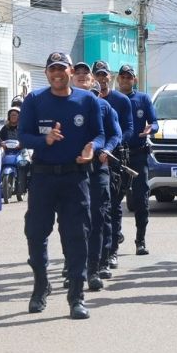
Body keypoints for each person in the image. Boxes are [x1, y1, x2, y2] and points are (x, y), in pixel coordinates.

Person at [19, 51, 104, 320]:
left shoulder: (87, 99)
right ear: (46, 73)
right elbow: (23, 136)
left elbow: (99, 133)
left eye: (61, 68)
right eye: (52, 69)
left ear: (70, 71)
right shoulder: (34, 100)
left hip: (75, 177)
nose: (57, 73)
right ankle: (41, 285)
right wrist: (44, 141)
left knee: (77, 235)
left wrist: (93, 148)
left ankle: (76, 297)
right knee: (36, 233)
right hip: (43, 176)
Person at [71, 61, 121, 291]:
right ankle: (73, 268)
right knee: (73, 221)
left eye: (86, 74)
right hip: (73, 169)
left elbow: (114, 134)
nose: (82, 76)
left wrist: (106, 150)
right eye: (77, 73)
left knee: (98, 217)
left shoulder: (104, 107)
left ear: (94, 82)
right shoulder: (63, 105)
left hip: (98, 167)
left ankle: (94, 268)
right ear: (72, 78)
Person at [94, 60, 133, 273]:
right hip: (94, 158)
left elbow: (126, 129)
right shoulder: (88, 99)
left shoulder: (120, 100)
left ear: (110, 77)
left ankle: (112, 251)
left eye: (104, 74)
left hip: (115, 157)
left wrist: (113, 146)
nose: (101, 78)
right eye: (97, 75)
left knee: (114, 204)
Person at [117, 64, 157, 256]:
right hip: (117, 154)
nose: (125, 80)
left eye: (129, 77)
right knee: (114, 197)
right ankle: (115, 234)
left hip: (139, 153)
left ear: (135, 80)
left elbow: (155, 122)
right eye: (122, 77)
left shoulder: (143, 98)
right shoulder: (112, 99)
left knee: (141, 198)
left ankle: (140, 240)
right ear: (118, 79)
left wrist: (152, 129)